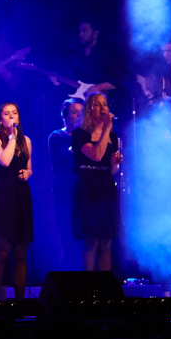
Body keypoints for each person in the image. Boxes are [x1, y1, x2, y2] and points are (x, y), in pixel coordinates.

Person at [0, 102, 34, 301]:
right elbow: (5, 161)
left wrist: (28, 173)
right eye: (7, 113)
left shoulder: (26, 140)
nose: (11, 116)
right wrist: (12, 137)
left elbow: (29, 166)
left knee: (21, 252)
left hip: (21, 195)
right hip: (2, 196)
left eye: (15, 112)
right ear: (0, 118)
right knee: (2, 252)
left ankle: (20, 303)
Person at [71, 93, 123, 271]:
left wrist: (114, 164)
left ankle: (104, 289)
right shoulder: (79, 134)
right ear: (89, 109)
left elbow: (112, 170)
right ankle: (89, 289)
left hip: (106, 187)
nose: (103, 108)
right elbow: (96, 154)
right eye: (97, 105)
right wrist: (107, 128)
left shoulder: (113, 137)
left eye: (105, 104)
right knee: (92, 240)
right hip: (88, 187)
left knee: (107, 242)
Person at [47, 99, 83, 268]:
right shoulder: (56, 137)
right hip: (65, 193)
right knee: (68, 240)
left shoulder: (87, 137)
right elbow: (61, 159)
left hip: (83, 192)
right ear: (64, 115)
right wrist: (78, 138)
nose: (79, 116)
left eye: (81, 112)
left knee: (84, 242)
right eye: (75, 112)